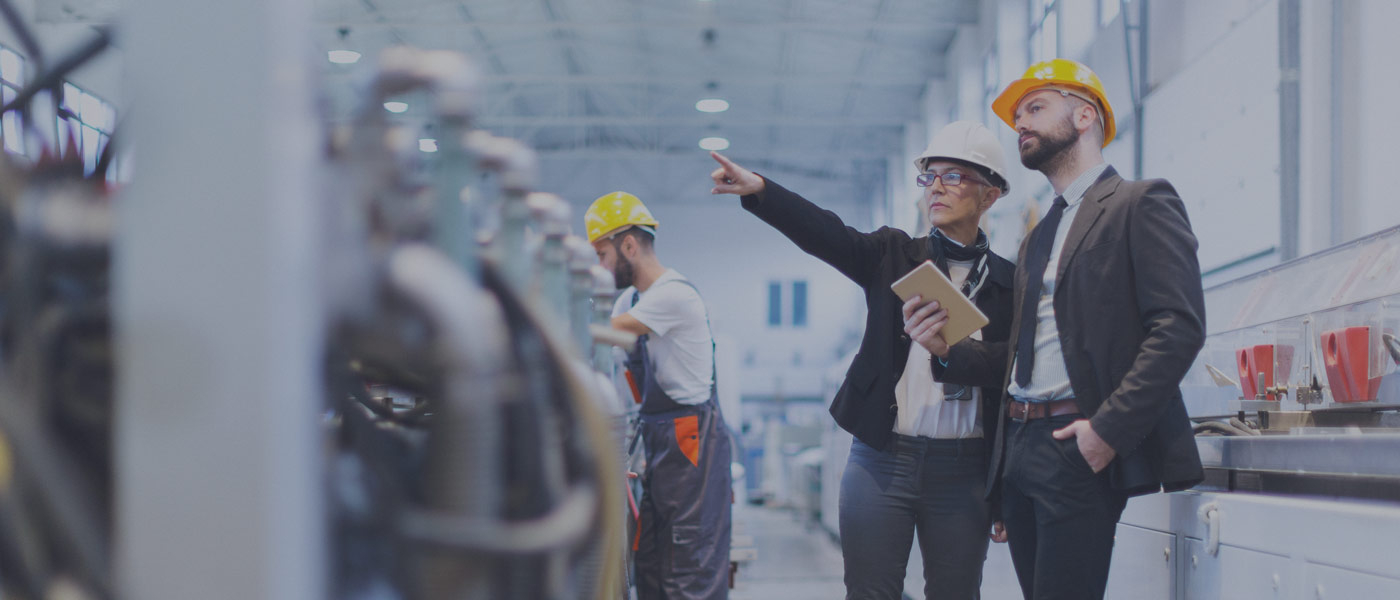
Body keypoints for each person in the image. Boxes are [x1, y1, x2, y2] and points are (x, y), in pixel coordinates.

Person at [914, 59, 1206, 599]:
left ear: (1084, 116)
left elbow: (1179, 328)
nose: (1020, 123)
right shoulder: (1039, 234)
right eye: (1017, 116)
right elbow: (1019, 355)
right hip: (1022, 445)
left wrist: (1107, 433)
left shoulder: (1138, 204)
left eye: (1035, 108)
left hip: (1079, 441)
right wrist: (948, 350)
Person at [709, 120, 1016, 600]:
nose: (936, 187)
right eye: (929, 176)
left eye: (953, 176)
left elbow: (1011, 369)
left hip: (964, 470)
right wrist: (763, 192)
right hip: (882, 461)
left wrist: (953, 355)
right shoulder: (894, 254)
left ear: (991, 195)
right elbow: (826, 233)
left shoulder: (1009, 285)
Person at [584, 191, 732, 600]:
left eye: (601, 254)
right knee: (650, 563)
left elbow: (599, 333)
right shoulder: (631, 299)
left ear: (628, 244)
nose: (600, 267)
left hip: (691, 445)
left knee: (689, 564)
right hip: (659, 445)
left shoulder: (672, 294)